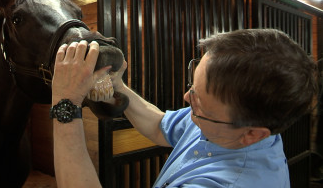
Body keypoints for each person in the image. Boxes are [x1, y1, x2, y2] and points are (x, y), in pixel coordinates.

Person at [50, 29, 318, 188]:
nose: (186, 96)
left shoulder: (228, 183)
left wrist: (66, 103)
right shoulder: (229, 126)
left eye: (200, 102)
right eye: (193, 83)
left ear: (252, 134)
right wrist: (117, 85)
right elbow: (159, 126)